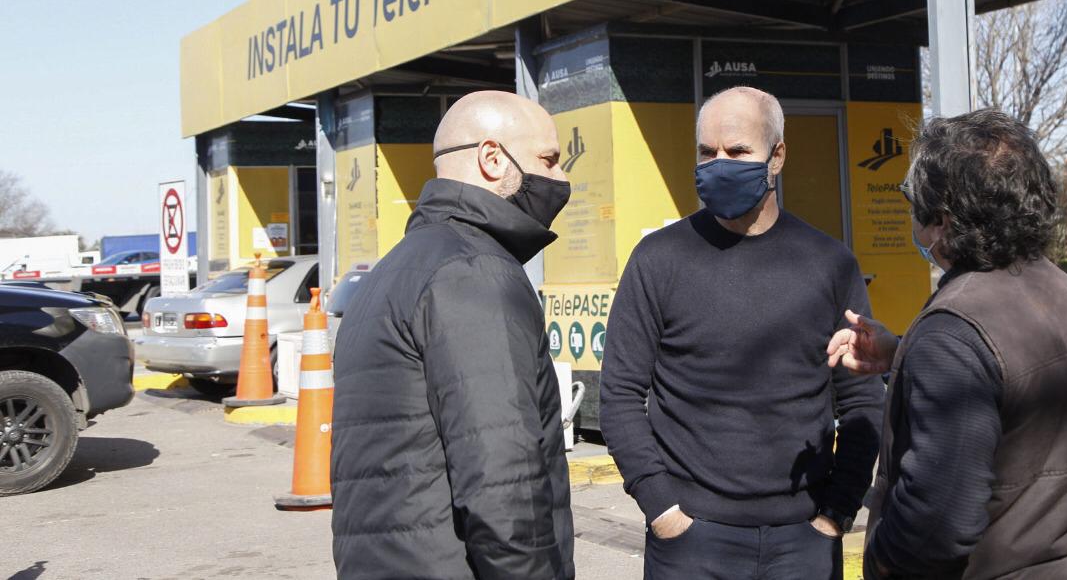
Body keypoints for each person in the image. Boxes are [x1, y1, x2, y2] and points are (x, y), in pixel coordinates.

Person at [827, 108, 1067, 579]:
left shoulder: (953, 332)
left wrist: (881, 557)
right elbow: (1013, 381)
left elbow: (938, 520)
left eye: (913, 201)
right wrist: (900, 352)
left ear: (942, 221)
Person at [601, 85, 883, 580]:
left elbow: (862, 401)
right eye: (706, 153)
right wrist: (663, 509)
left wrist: (836, 514)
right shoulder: (658, 259)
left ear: (777, 157)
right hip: (690, 540)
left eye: (737, 152)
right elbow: (620, 394)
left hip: (804, 540)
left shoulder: (829, 263)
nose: (719, 164)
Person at [331, 91, 575, 580]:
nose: (561, 179)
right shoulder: (473, 271)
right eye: (549, 159)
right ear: (491, 158)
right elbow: (504, 486)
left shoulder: (394, 270)